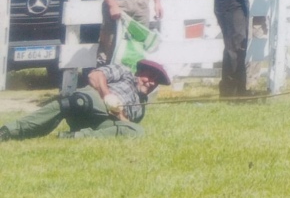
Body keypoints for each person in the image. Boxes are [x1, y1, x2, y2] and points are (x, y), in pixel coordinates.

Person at [0, 59, 170, 141]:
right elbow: (95, 76)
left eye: (156, 81)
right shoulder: (124, 71)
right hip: (91, 102)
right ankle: (10, 131)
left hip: (104, 121)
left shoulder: (141, 106)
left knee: (136, 132)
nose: (152, 82)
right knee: (79, 100)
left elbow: (126, 123)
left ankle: (74, 137)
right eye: (150, 76)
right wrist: (107, 96)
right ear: (140, 71)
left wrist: (120, 114)